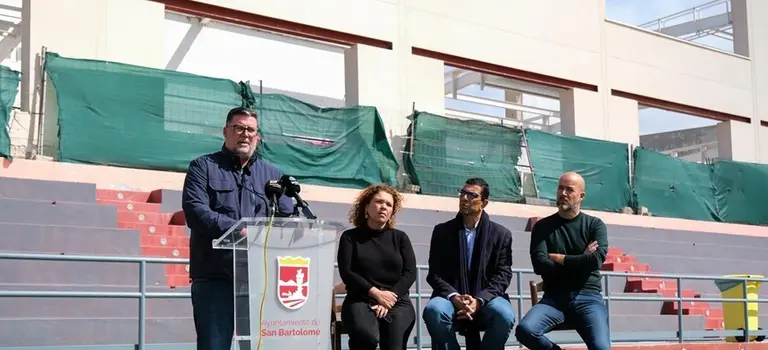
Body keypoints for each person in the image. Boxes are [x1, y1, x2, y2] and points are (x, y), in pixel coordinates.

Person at [182, 107, 294, 350]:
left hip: (260, 278)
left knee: (260, 345)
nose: (245, 134)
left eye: (251, 130)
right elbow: (196, 211)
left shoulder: (272, 175)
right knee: (214, 345)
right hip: (215, 275)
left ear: (258, 137)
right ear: (225, 132)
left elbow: (287, 214)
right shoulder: (203, 167)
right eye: (239, 128)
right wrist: (238, 230)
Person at [515, 171, 610, 350]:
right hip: (554, 298)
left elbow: (596, 261)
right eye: (560, 188)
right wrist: (581, 260)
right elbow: (539, 265)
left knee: (602, 348)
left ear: (581, 196)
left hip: (588, 297)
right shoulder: (543, 227)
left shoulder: (595, 225)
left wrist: (560, 258)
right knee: (525, 330)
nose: (563, 193)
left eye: (569, 189)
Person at [423, 177, 516, 350]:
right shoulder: (442, 231)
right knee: (434, 311)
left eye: (472, 195)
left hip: (488, 297)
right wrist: (455, 297)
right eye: (462, 193)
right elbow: (435, 273)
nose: (464, 198)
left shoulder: (501, 235)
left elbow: (503, 275)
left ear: (484, 203)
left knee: (505, 315)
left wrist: (479, 300)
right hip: (451, 296)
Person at [336, 184, 417, 350]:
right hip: (361, 299)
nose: (383, 207)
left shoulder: (400, 238)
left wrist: (389, 298)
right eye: (379, 202)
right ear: (366, 206)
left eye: (388, 205)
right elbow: (347, 272)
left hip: (397, 301)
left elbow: (409, 273)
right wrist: (376, 294)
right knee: (366, 337)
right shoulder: (350, 237)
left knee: (394, 344)